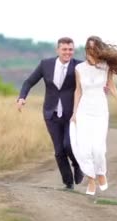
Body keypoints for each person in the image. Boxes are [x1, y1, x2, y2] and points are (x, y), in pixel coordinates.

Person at [69, 36, 117, 195]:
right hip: (84, 111)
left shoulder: (106, 67)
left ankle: (101, 173)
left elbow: (111, 86)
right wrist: (74, 113)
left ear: (99, 50)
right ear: (86, 50)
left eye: (94, 49)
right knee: (85, 149)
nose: (91, 52)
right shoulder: (79, 68)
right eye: (89, 49)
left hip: (100, 110)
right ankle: (91, 180)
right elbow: (78, 90)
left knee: (98, 149)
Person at [17, 37, 84, 190]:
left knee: (69, 145)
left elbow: (91, 82)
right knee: (59, 150)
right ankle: (68, 182)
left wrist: (103, 88)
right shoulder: (45, 64)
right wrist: (22, 97)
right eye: (65, 49)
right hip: (51, 113)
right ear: (58, 50)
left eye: (71, 49)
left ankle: (77, 165)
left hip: (72, 113)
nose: (68, 52)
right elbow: (29, 82)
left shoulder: (80, 66)